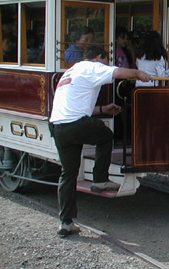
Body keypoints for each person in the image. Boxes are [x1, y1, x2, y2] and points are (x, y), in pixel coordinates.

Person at [49, 45, 151, 237]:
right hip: (75, 123)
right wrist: (139, 73)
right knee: (106, 136)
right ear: (98, 57)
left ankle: (65, 222)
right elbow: (119, 72)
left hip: (58, 126)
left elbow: (78, 105)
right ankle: (100, 180)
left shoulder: (71, 71)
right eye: (106, 60)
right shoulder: (93, 67)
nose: (107, 65)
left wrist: (103, 109)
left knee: (68, 174)